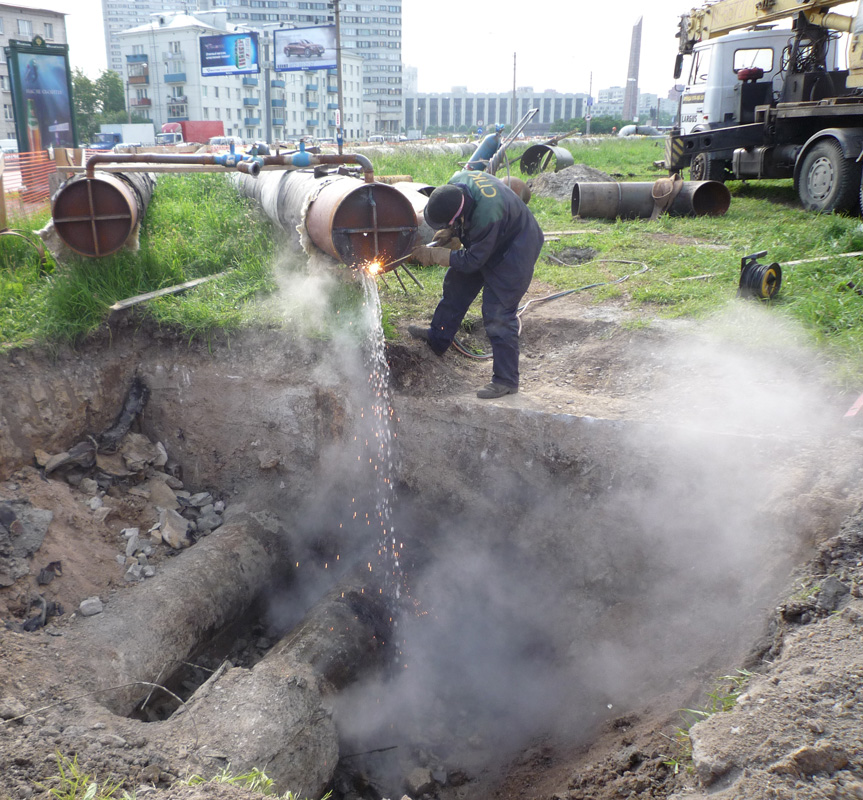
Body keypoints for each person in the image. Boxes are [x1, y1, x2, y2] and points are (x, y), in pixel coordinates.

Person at [408, 170, 544, 399]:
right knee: (456, 285)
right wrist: (451, 232)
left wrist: (436, 256)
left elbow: (473, 261)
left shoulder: (487, 216)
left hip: (515, 250)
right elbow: (469, 237)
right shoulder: (456, 183)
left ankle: (506, 380)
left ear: (456, 214)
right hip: (490, 238)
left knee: (497, 313)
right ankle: (438, 338)